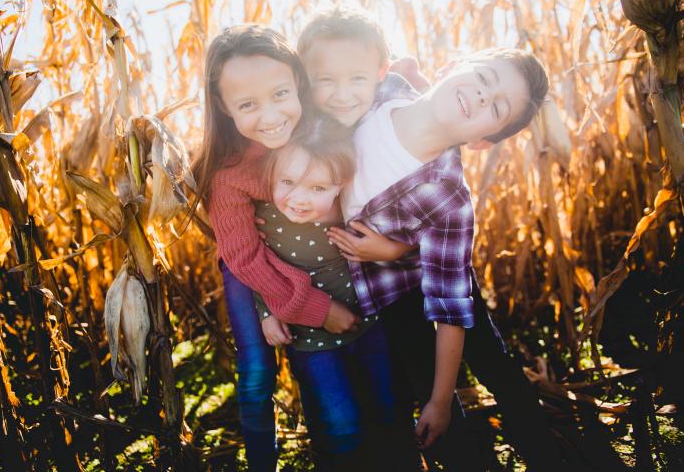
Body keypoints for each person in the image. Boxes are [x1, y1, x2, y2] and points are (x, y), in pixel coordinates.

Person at [324, 47, 562, 470]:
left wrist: (440, 401)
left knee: (490, 362)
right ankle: (466, 454)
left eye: (497, 106)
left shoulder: (450, 199)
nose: (483, 97)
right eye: (485, 80)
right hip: (393, 291)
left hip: (445, 275)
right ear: (452, 65)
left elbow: (451, 310)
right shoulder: (382, 91)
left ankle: (540, 447)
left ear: (482, 141)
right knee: (420, 374)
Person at [190, 24, 358, 472]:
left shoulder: (323, 136)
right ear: (224, 109)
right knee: (258, 373)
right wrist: (302, 307)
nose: (270, 116)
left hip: (312, 261)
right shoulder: (228, 174)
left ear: (298, 84)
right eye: (248, 105)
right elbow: (244, 258)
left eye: (280, 94)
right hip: (249, 267)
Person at [253, 117, 418, 471]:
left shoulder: (353, 210)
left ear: (340, 186)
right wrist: (267, 311)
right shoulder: (265, 218)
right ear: (272, 175)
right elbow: (258, 268)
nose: (297, 199)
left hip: (371, 326)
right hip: (310, 340)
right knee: (339, 425)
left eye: (317, 188)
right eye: (287, 182)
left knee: (390, 408)